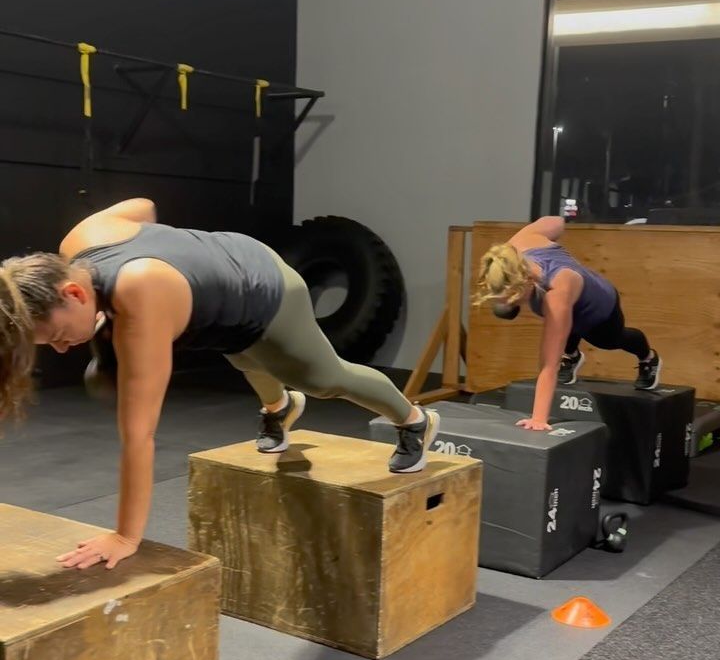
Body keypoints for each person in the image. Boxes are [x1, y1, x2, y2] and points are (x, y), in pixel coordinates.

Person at [0, 199, 439, 570]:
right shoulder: (80, 241)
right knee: (244, 355)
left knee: (322, 378)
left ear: (74, 294)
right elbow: (143, 207)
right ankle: (280, 409)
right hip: (221, 290)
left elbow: (139, 435)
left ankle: (415, 420)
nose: (61, 349)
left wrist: (125, 536)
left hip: (263, 288)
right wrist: (188, 257)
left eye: (57, 337)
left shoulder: (140, 293)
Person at [476, 215, 661, 432]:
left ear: (526, 281)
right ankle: (573, 355)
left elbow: (549, 365)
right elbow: (556, 220)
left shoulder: (556, 293)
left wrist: (538, 418)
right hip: (569, 301)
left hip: (598, 310)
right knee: (505, 311)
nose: (508, 301)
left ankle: (649, 358)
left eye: (513, 297)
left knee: (610, 339)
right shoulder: (514, 249)